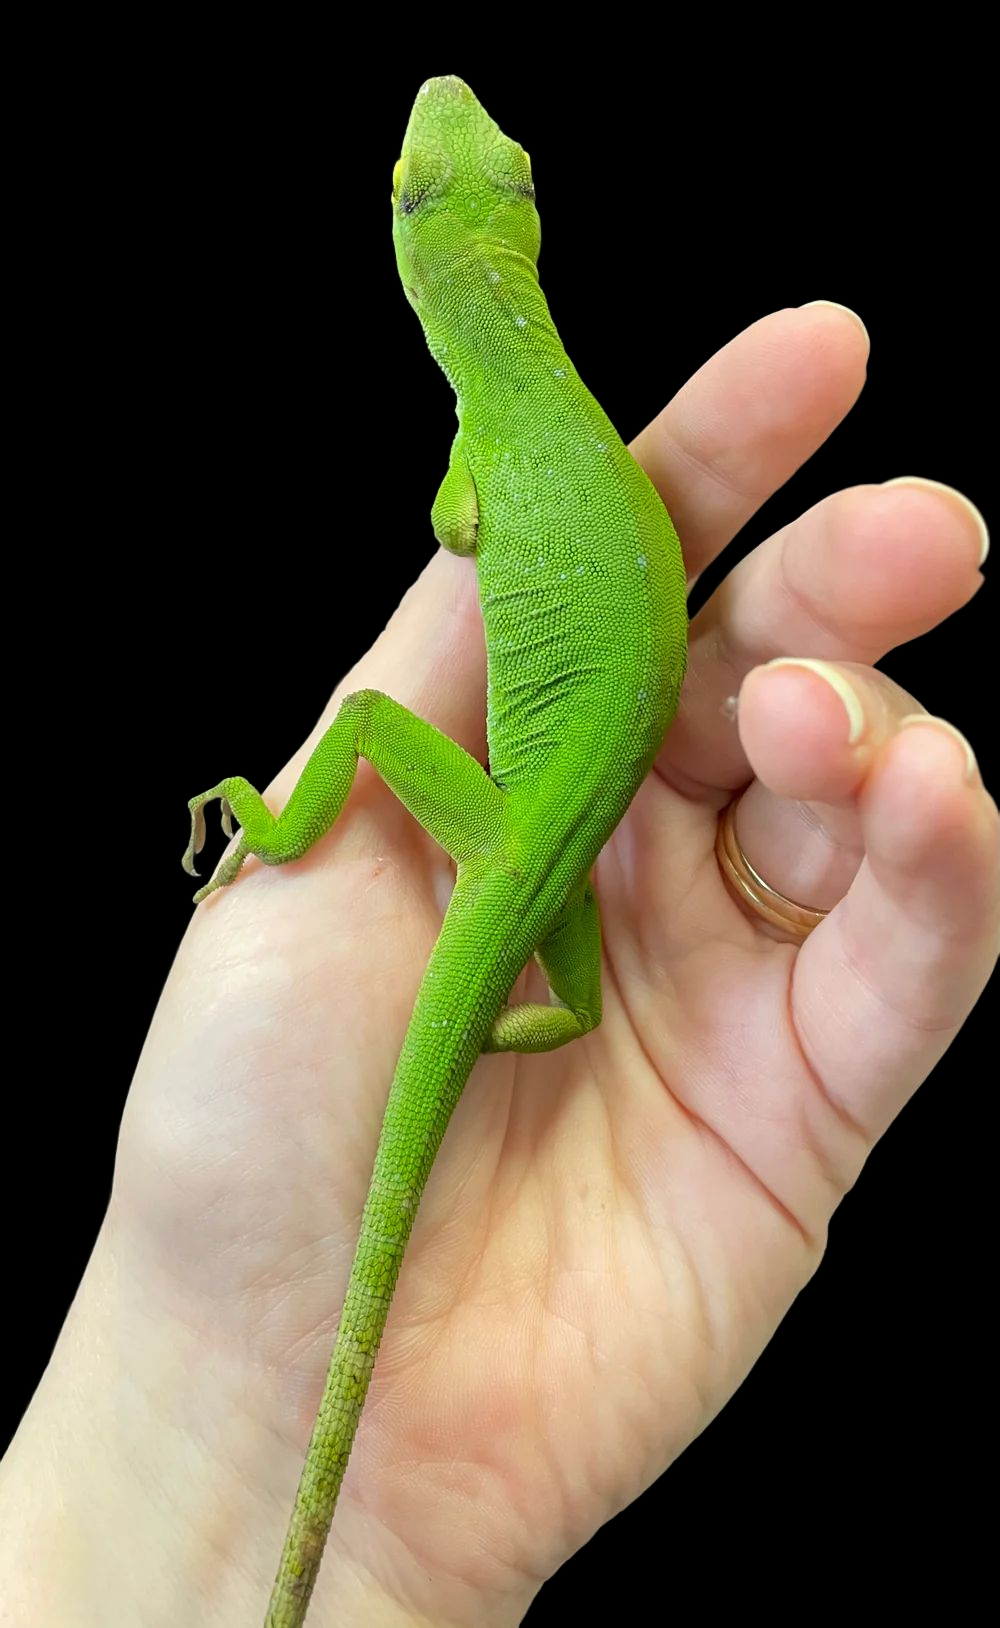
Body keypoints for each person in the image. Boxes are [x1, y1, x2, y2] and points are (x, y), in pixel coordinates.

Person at [1, 303, 995, 1625]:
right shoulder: (576, 418)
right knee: (574, 1009)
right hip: (550, 856)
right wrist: (469, 1034)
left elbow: (455, 530)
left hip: (510, 829)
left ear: (418, 279)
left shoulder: (487, 438)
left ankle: (277, 824)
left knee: (361, 720)